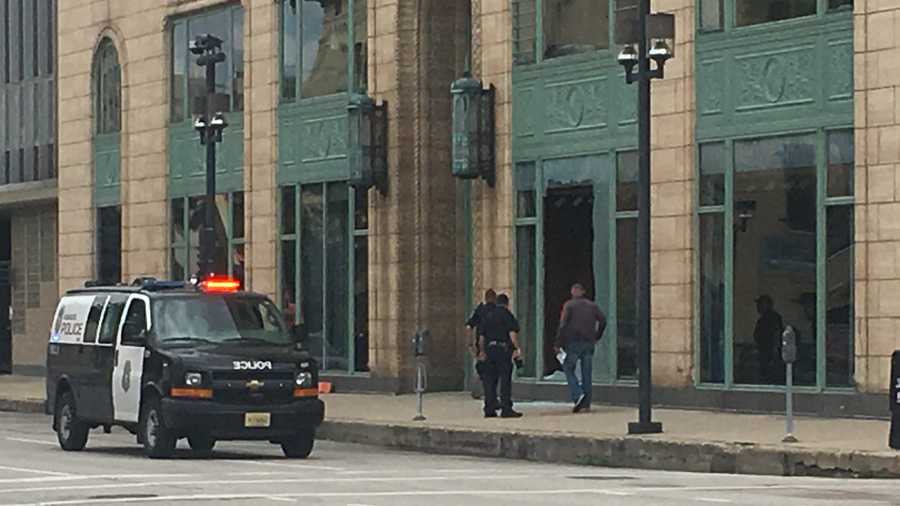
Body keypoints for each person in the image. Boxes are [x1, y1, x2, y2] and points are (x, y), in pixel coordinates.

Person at [555, 283, 606, 414]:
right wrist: (597, 335)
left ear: (573, 292)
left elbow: (563, 324)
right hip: (588, 341)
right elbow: (603, 320)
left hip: (573, 341)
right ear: (583, 292)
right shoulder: (592, 306)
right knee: (586, 372)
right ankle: (586, 404)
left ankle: (578, 394)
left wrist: (558, 343)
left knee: (568, 367)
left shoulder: (569, 305)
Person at [477, 293, 523, 418]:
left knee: (489, 381)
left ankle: (489, 408)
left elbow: (481, 337)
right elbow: (512, 334)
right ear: (507, 304)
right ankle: (506, 408)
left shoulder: (488, 316)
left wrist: (482, 352)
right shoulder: (507, 315)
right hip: (503, 350)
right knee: (505, 380)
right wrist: (517, 349)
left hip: (489, 350)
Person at [465, 289, 496, 400]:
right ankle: (491, 393)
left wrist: (469, 344)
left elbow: (469, 326)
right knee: (493, 371)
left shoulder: (480, 310)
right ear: (494, 298)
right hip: (493, 345)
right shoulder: (496, 310)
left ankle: (477, 391)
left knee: (480, 368)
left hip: (481, 345)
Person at [753, 294, 784, 384]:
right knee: (764, 372)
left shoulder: (773, 317)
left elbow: (777, 332)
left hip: (770, 351)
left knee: (771, 372)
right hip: (763, 350)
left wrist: (775, 348)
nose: (758, 307)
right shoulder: (762, 319)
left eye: (760, 304)